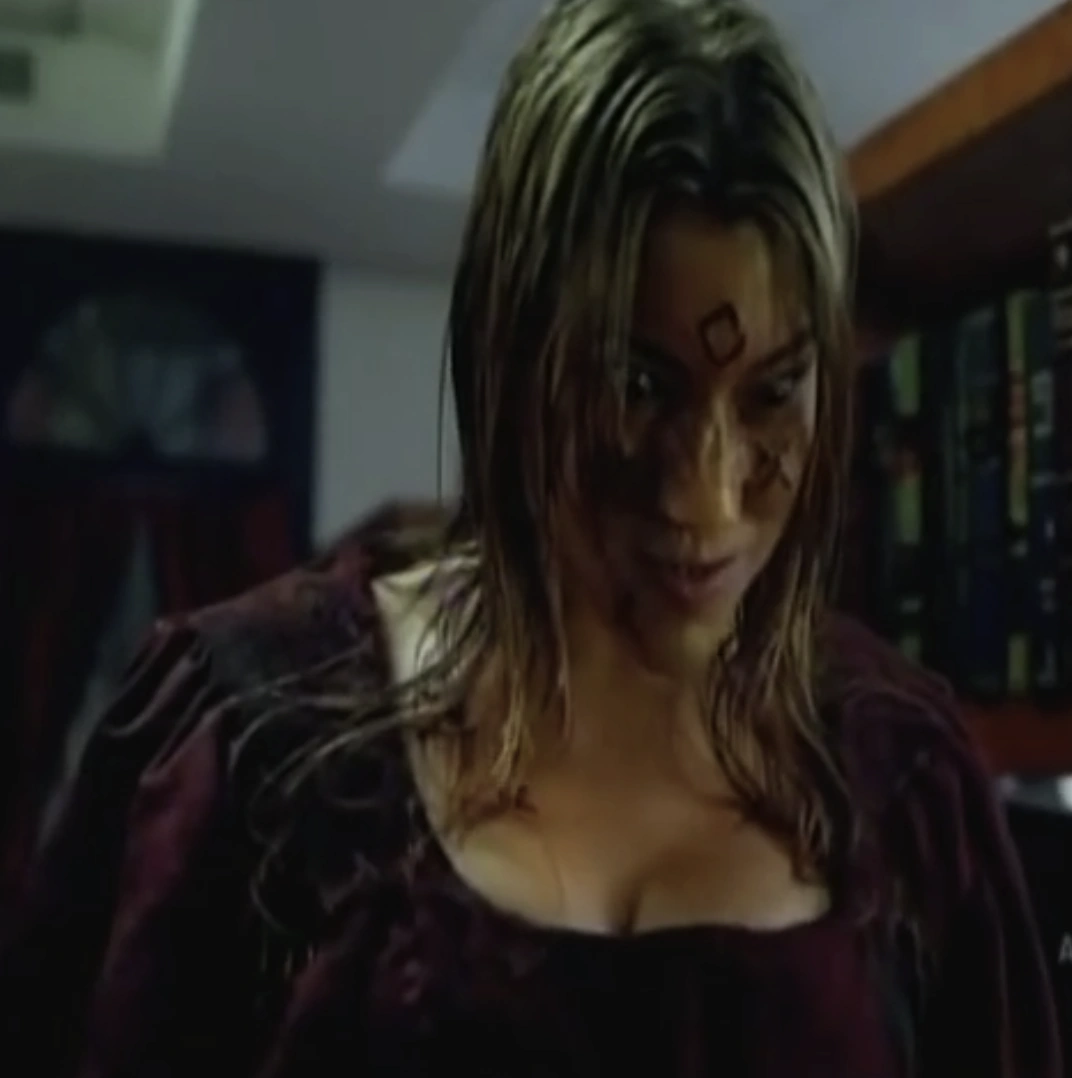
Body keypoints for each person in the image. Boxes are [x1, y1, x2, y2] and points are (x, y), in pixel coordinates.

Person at [0, 0, 1061, 1075]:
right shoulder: (248, 747)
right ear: (511, 354)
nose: (705, 499)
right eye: (635, 386)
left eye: (772, 394)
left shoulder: (907, 789)